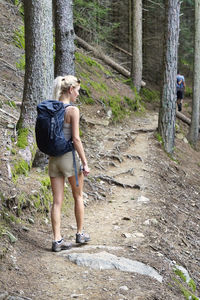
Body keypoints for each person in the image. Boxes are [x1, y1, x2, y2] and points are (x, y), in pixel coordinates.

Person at [49, 75, 90, 252]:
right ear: (71, 89)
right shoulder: (72, 110)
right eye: (78, 91)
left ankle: (57, 240)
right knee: (78, 195)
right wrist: (85, 162)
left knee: (57, 202)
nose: (78, 95)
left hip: (53, 159)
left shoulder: (51, 106)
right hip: (69, 159)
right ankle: (80, 233)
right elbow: (76, 139)